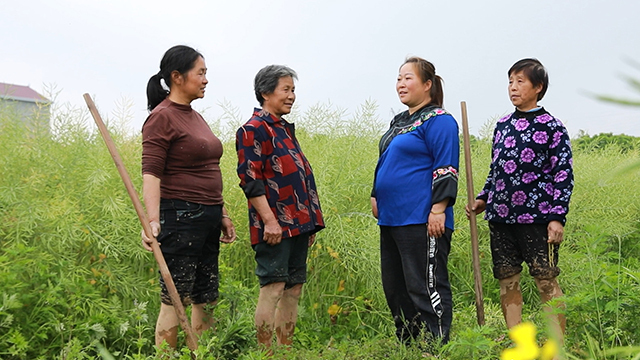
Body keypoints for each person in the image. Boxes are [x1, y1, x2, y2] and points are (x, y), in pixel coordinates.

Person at [466, 58, 574, 343]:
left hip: (537, 217)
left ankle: (556, 346)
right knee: (507, 278)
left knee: (545, 279)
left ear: (538, 87)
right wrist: (483, 199)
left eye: (520, 82)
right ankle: (519, 343)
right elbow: (496, 169)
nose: (513, 88)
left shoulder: (552, 126)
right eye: (510, 81)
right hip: (501, 216)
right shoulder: (502, 125)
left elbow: (563, 174)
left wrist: (556, 217)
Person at [141, 45, 236, 349]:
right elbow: (151, 174)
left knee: (206, 297)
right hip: (179, 217)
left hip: (207, 217)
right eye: (201, 73)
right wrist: (152, 221)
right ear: (177, 77)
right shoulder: (162, 117)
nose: (206, 79)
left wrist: (220, 213)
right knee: (175, 298)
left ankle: (202, 354)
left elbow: (208, 169)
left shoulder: (194, 117)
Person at [235, 65, 324, 350]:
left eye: (293, 90)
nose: (292, 96)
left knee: (294, 288)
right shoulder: (253, 130)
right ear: (265, 92)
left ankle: (284, 350)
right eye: (286, 90)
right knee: (272, 287)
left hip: (299, 222)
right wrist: (270, 221)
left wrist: (309, 222)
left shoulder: (283, 129)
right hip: (274, 225)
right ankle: (265, 353)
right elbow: (251, 181)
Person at [371, 57, 459, 346]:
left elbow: (446, 166)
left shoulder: (439, 121)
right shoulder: (400, 122)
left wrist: (439, 209)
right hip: (392, 218)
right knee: (396, 287)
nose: (401, 84)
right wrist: (376, 193)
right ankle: (407, 343)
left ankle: (437, 344)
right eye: (398, 78)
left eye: (408, 78)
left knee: (425, 284)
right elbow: (386, 160)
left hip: (422, 217)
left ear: (428, 85)